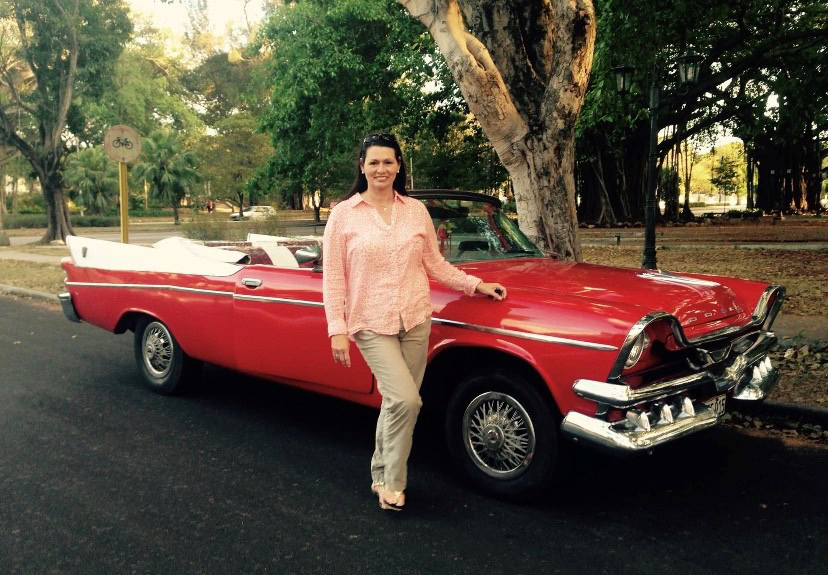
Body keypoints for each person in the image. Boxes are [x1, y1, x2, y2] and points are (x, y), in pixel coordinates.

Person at [322, 133, 507, 511]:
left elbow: (434, 264)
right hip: (370, 322)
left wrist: (476, 284)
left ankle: (378, 472)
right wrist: (337, 329)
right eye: (373, 162)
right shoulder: (343, 215)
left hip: (416, 318)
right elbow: (334, 277)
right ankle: (393, 484)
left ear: (399, 165)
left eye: (388, 162)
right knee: (407, 399)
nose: (381, 169)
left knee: (395, 403)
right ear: (361, 166)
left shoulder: (414, 210)